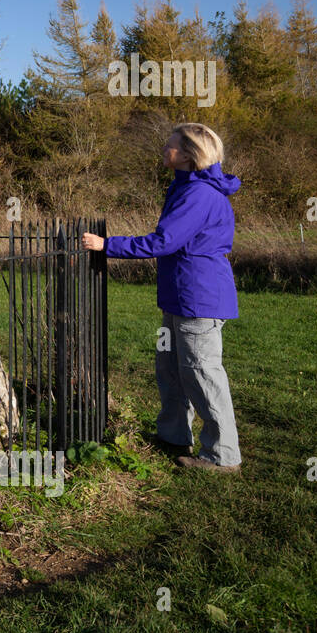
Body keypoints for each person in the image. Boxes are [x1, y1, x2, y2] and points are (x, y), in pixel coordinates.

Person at [82, 123, 242, 474]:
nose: (164, 149)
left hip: (197, 298)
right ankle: (173, 435)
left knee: (202, 373)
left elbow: (163, 241)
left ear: (187, 154)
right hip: (179, 296)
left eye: (169, 144)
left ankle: (222, 455)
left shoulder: (198, 195)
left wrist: (108, 245)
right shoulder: (184, 187)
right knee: (170, 369)